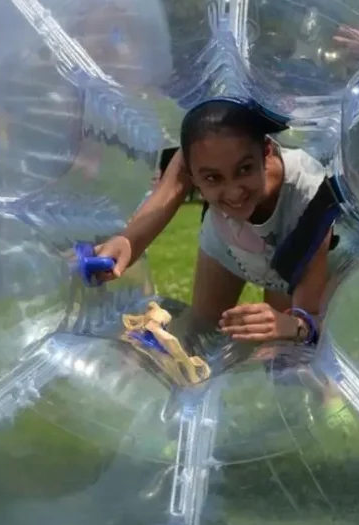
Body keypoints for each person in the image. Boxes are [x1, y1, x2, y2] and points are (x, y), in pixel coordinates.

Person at [94, 99, 343, 347]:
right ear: (191, 175)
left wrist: (295, 326)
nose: (234, 192)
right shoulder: (205, 148)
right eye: (213, 178)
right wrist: (128, 241)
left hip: (292, 253)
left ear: (266, 151)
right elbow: (170, 187)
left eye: (244, 169)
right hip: (227, 245)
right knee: (197, 335)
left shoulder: (308, 194)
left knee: (283, 355)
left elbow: (309, 319)